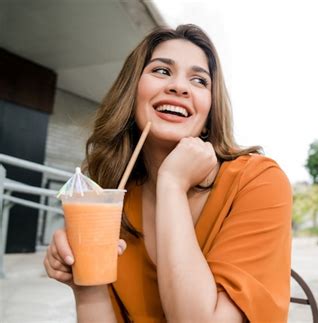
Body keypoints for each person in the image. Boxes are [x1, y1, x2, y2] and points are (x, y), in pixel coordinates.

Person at [44, 24, 292, 323]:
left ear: (210, 110)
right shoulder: (112, 199)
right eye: (161, 71)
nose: (179, 87)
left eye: (199, 80)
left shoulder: (258, 179)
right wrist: (85, 283)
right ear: (132, 90)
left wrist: (171, 184)